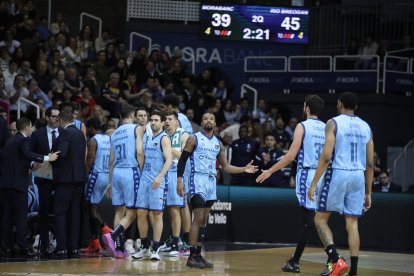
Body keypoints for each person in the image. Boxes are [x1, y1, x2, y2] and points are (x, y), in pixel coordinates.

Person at [176, 113, 258, 268]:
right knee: (198, 218)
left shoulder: (219, 144)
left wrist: (244, 169)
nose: (208, 120)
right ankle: (192, 256)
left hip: (211, 181)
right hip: (197, 179)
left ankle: (198, 255)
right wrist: (179, 180)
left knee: (204, 220)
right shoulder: (194, 138)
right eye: (205, 118)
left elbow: (226, 167)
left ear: (215, 123)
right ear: (201, 122)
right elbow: (182, 160)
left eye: (211, 119)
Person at [256, 95, 325, 272]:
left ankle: (333, 256)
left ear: (306, 107)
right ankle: (295, 260)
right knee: (312, 219)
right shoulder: (326, 127)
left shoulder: (302, 126)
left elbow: (290, 157)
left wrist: (270, 170)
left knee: (310, 219)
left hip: (308, 173)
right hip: (322, 175)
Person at [308, 92, 374, 276]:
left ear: (339, 104)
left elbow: (327, 156)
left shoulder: (333, 123)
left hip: (338, 173)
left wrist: (313, 184)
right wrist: (368, 192)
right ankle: (353, 271)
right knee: (352, 223)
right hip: (358, 177)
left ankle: (336, 259)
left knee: (320, 219)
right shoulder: (366, 126)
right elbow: (370, 163)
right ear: (356, 107)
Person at [0, 117, 58, 256]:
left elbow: (19, 159)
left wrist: (32, 165)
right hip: (18, 185)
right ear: (28, 127)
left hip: (5, 185)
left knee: (6, 217)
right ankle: (24, 247)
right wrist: (46, 158)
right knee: (20, 217)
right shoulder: (23, 139)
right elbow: (28, 153)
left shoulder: (10, 140)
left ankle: (6, 246)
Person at [102, 104, 144, 259]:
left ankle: (119, 248)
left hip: (117, 172)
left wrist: (110, 182)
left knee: (119, 211)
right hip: (130, 170)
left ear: (120, 117)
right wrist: (142, 170)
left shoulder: (114, 133)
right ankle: (114, 236)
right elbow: (139, 152)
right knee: (132, 211)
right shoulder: (136, 128)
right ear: (132, 116)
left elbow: (111, 161)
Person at [133, 110, 172, 261]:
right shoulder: (147, 137)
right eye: (152, 120)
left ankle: (155, 248)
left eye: (157, 120)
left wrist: (160, 176)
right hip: (145, 180)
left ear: (162, 123)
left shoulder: (164, 139)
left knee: (157, 214)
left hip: (158, 181)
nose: (153, 122)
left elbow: (169, 160)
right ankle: (144, 247)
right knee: (141, 213)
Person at [52, 110, 87, 258]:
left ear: (61, 121)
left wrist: (53, 159)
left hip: (65, 179)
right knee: (75, 212)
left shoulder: (65, 133)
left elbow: (63, 153)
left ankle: (62, 247)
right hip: (79, 179)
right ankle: (73, 247)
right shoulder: (80, 133)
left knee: (60, 211)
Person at [30, 107, 61, 255]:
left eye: (58, 116)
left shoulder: (64, 133)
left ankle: (61, 244)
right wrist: (32, 164)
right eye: (54, 116)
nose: (57, 119)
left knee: (60, 211)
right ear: (47, 117)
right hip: (43, 174)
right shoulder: (37, 134)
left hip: (62, 176)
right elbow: (30, 153)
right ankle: (44, 244)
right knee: (43, 211)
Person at [81, 118, 113, 254]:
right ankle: (95, 242)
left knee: (90, 209)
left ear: (92, 128)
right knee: (92, 209)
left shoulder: (93, 140)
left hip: (95, 175)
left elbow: (89, 162)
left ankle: (107, 231)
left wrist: (84, 177)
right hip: (105, 175)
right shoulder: (108, 139)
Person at [162, 110, 191, 256]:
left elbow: (183, 157)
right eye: (165, 119)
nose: (167, 121)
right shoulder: (162, 134)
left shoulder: (183, 134)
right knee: (170, 210)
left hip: (177, 173)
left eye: (170, 119)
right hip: (164, 173)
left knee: (176, 208)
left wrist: (168, 147)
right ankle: (175, 239)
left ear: (176, 121)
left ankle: (179, 242)